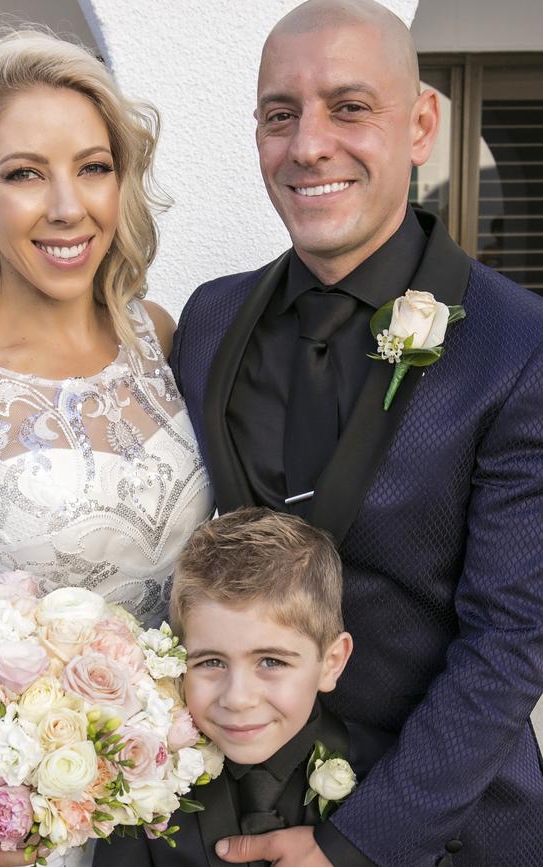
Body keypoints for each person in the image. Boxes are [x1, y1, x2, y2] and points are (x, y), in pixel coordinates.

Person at [170, 1, 543, 866]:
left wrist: (363, 844)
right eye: (278, 115)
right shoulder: (210, 317)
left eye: (349, 107)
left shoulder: (519, 346)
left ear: (420, 125)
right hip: (215, 825)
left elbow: (511, 638)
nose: (307, 145)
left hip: (446, 833)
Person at [0, 29, 213, 867]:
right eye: (26, 173)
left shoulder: (161, 336)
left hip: (190, 792)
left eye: (93, 166)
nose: (68, 205)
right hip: (40, 816)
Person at [93, 507, 355, 867]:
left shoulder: (385, 781)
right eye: (211, 662)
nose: (237, 698)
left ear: (332, 662)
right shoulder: (141, 789)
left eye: (271, 662)